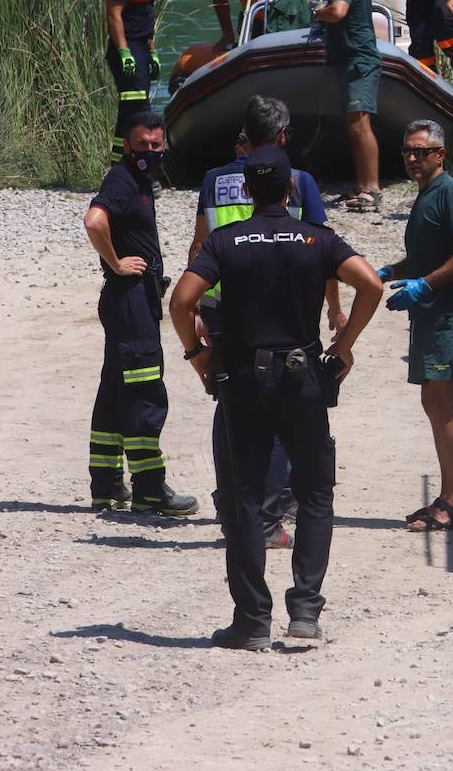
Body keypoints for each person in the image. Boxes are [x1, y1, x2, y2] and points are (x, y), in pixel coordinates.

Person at [169, 146, 383, 651]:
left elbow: (180, 301)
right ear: (290, 189)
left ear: (247, 191)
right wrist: (343, 346)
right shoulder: (316, 238)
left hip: (242, 380)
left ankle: (251, 622)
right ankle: (305, 610)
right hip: (301, 377)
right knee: (315, 492)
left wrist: (197, 354)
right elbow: (372, 285)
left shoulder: (226, 240)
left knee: (244, 500)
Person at [188, 94, 346, 550]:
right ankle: (267, 519)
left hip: (222, 304)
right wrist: (334, 308)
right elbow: (323, 252)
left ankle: (232, 506)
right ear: (282, 135)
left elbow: (199, 245)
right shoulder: (299, 181)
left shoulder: (214, 180)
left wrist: (197, 308)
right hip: (281, 305)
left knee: (228, 402)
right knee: (278, 407)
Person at [83, 111, 197, 517]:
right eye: (141, 145)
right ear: (127, 145)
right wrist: (116, 262)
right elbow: (94, 221)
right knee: (145, 390)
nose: (149, 151)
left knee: (116, 389)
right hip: (129, 300)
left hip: (130, 301)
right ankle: (149, 488)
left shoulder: (141, 182)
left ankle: (107, 485)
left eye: (155, 144)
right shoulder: (124, 179)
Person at [376, 120, 453, 532]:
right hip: (430, 314)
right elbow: (428, 257)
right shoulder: (426, 195)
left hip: (449, 315)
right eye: (407, 150)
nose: (412, 158)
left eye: (421, 151)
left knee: (446, 404)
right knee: (433, 403)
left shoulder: (450, 192)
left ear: (440, 154)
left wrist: (425, 285)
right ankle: (447, 496)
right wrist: (393, 270)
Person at [313, 0, 383, 211]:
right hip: (355, 59)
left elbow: (338, 12)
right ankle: (361, 184)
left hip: (359, 61)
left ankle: (372, 188)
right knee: (354, 124)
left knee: (360, 125)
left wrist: (320, 12)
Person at [104, 0, 168, 163]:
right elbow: (114, 14)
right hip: (128, 49)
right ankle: (127, 164)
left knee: (135, 111)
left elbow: (145, 17)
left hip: (141, 48)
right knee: (136, 111)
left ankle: (127, 164)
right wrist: (124, 52)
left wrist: (152, 52)